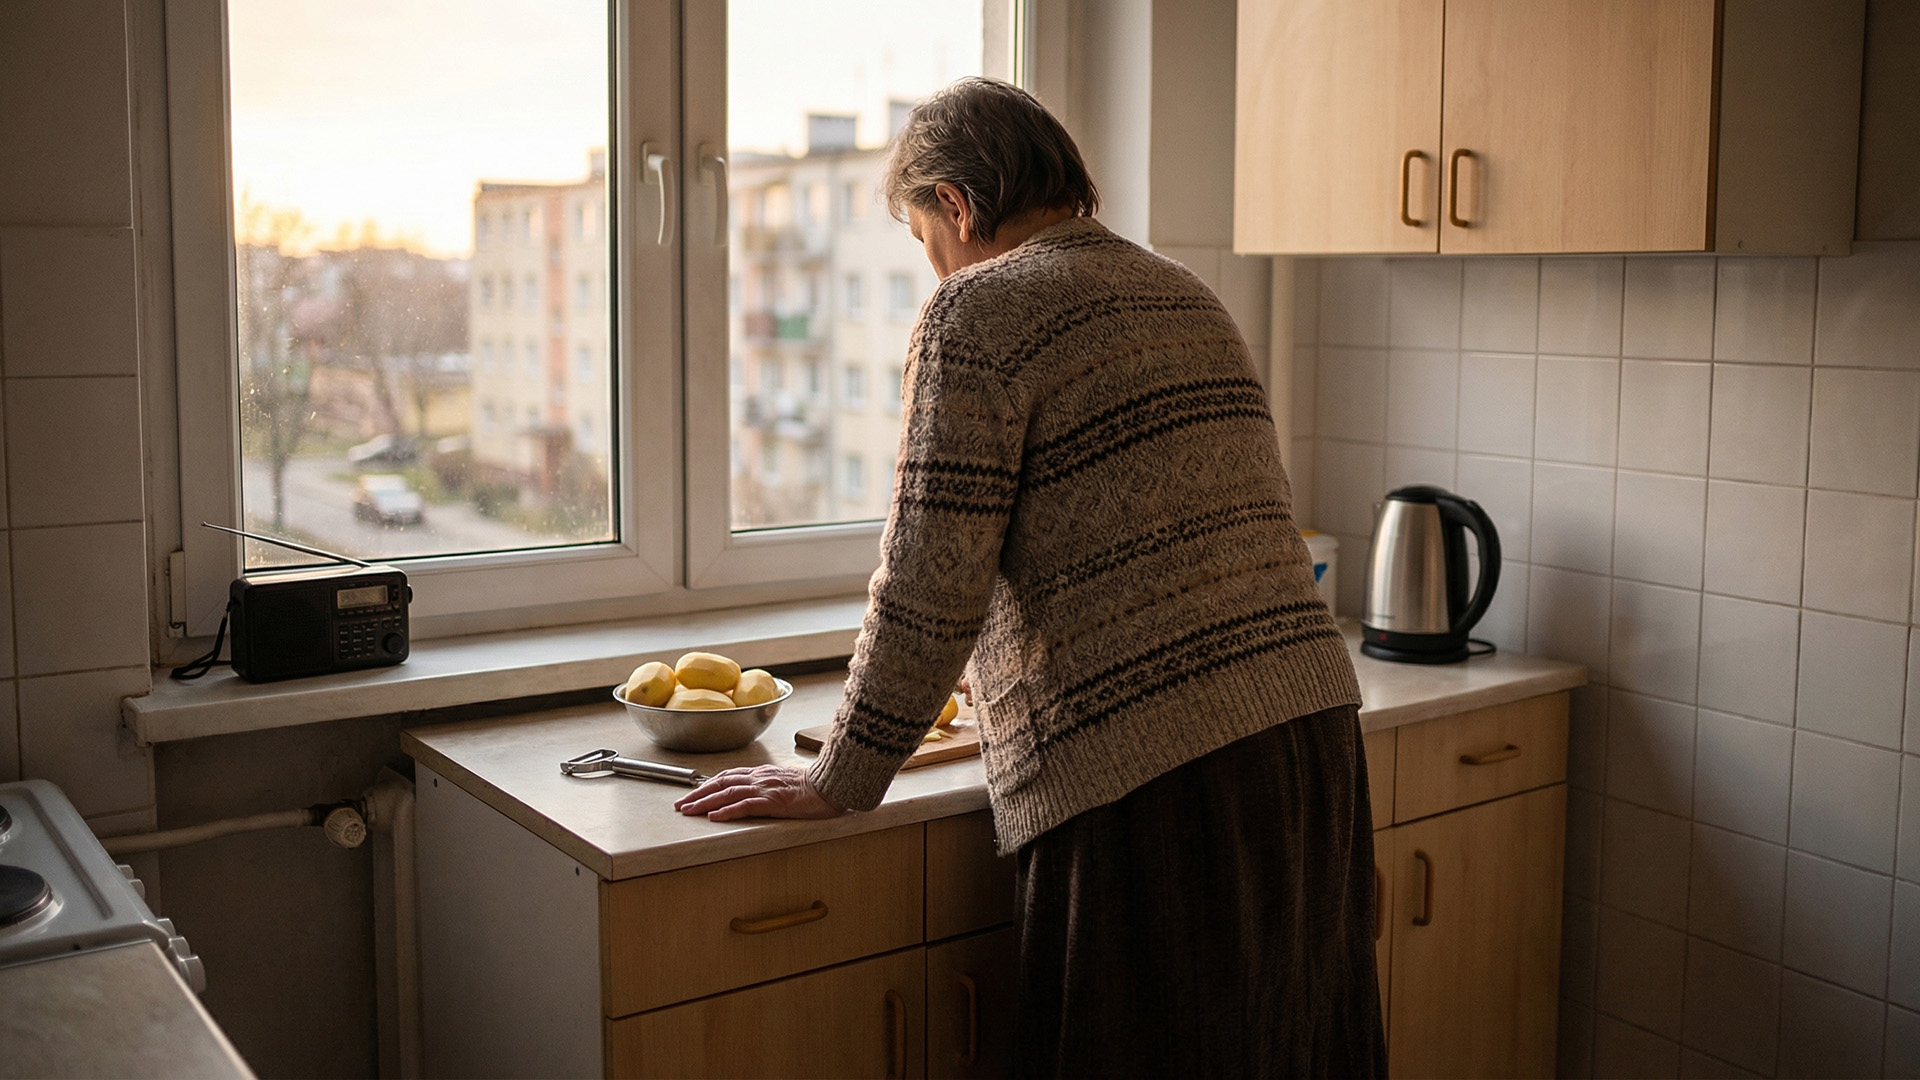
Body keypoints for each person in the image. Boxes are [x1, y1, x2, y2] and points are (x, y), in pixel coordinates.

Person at [676, 77, 1382, 1078]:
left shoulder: (978, 309)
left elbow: (930, 580)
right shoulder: (1185, 293)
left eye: (928, 245)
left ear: (957, 207)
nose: (935, 271)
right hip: (1309, 737)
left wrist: (841, 776)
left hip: (1160, 772)